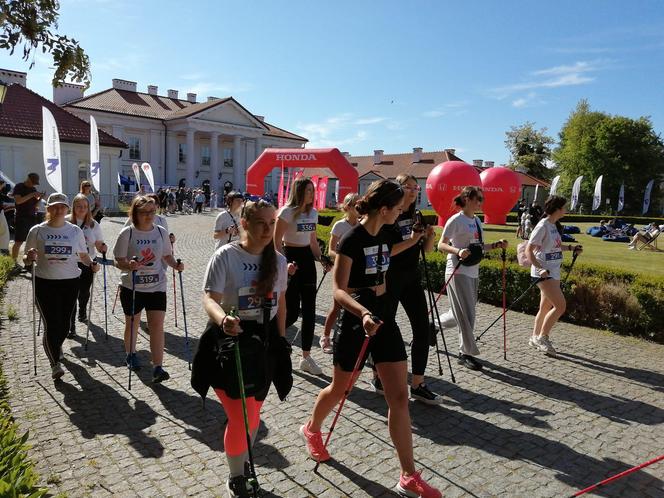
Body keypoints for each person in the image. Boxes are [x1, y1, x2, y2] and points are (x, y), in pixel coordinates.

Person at [300, 180, 442, 498]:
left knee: (399, 397)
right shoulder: (352, 239)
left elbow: (392, 250)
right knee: (342, 388)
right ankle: (311, 428)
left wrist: (419, 238)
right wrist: (363, 311)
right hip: (356, 322)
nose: (400, 214)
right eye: (397, 209)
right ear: (383, 209)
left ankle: (408, 475)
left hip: (384, 321)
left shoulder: (389, 231)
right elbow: (338, 289)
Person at [197, 199, 288, 497]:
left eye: (272, 223)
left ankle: (242, 457)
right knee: (243, 417)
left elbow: (281, 302)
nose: (268, 229)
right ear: (244, 224)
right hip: (230, 339)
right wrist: (224, 319)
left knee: (253, 413)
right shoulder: (225, 256)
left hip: (263, 342)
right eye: (261, 223)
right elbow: (210, 298)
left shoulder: (279, 260)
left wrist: (281, 338)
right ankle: (237, 475)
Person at [375, 174, 440, 403]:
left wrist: (428, 237)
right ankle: (378, 374)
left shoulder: (417, 215)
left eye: (416, 187)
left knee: (423, 328)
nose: (413, 191)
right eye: (408, 187)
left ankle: (418, 383)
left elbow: (428, 250)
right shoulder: (389, 214)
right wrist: (413, 239)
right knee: (383, 328)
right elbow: (386, 251)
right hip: (390, 279)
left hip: (412, 278)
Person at [24, 193, 99, 380]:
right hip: (45, 283)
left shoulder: (75, 231)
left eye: (62, 207)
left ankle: (55, 347)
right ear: (48, 209)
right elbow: (26, 259)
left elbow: (83, 254)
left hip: (70, 282)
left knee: (64, 325)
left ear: (67, 209)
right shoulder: (37, 231)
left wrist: (91, 263)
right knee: (52, 324)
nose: (58, 210)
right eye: (54, 206)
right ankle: (55, 362)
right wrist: (29, 258)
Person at [113, 195, 184, 383]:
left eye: (152, 212)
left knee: (157, 326)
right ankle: (131, 353)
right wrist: (129, 265)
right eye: (144, 212)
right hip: (133, 287)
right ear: (135, 213)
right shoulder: (127, 233)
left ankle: (158, 367)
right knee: (133, 323)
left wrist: (175, 264)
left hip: (157, 286)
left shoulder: (160, 232)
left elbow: (167, 255)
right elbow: (118, 260)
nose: (149, 216)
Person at [437, 186, 508, 371]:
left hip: (473, 271)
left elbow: (478, 246)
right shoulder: (456, 219)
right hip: (458, 270)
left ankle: (433, 326)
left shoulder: (476, 220)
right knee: (468, 314)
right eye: (478, 199)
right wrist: (458, 251)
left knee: (460, 312)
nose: (480, 202)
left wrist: (495, 245)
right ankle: (465, 353)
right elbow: (441, 245)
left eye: (482, 199)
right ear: (467, 199)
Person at [274, 178, 330, 375]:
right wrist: (283, 263)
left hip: (306, 260)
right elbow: (276, 242)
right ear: (299, 191)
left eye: (312, 191)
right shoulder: (286, 212)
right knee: (290, 310)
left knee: (309, 311)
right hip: (290, 258)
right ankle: (273, 339)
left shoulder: (313, 213)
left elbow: (313, 241)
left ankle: (306, 357)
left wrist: (321, 259)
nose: (311, 194)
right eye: (308, 190)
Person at [526, 195, 582, 357]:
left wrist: (571, 247)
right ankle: (543, 337)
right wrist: (539, 268)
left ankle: (534, 337)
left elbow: (555, 247)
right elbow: (529, 250)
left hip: (554, 271)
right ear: (557, 209)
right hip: (544, 273)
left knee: (545, 307)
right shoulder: (543, 225)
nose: (566, 210)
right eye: (564, 207)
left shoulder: (553, 225)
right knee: (560, 306)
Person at [320, 192, 360, 353]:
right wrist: (346, 258)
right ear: (348, 207)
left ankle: (351, 337)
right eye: (356, 204)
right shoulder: (339, 225)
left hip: (357, 271)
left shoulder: (361, 225)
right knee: (337, 305)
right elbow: (330, 250)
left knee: (356, 305)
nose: (359, 207)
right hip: (342, 269)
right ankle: (325, 336)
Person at [66, 194, 107, 335]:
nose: (82, 209)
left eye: (84, 206)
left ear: (88, 208)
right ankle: (71, 327)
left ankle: (82, 310)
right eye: (78, 206)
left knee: (84, 292)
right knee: (71, 294)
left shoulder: (93, 224)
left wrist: (102, 247)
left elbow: (97, 242)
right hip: (70, 263)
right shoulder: (66, 222)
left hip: (88, 262)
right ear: (73, 207)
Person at [11, 173, 45, 264]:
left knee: (32, 241)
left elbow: (35, 206)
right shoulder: (19, 187)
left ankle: (29, 262)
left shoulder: (33, 189)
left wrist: (40, 198)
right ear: (28, 179)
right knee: (19, 241)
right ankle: (14, 263)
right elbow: (18, 201)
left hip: (32, 217)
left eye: (35, 184)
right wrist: (32, 194)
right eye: (33, 183)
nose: (34, 185)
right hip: (21, 218)